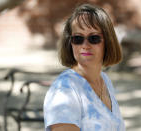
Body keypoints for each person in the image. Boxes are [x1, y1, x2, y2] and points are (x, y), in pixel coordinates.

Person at [44, 3, 126, 131]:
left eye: (94, 38)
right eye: (78, 38)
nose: (85, 45)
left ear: (108, 42)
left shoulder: (105, 80)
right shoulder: (64, 89)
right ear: (70, 43)